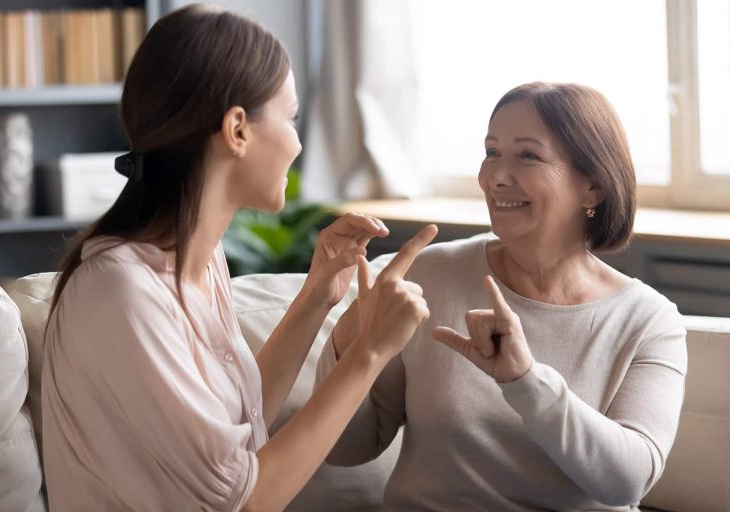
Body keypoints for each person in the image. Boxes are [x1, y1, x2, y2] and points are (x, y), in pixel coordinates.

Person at [41, 4, 438, 511]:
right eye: (291, 117)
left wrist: (317, 295)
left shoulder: (200, 261)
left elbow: (239, 430)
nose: (297, 142)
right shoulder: (121, 290)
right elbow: (247, 500)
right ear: (237, 130)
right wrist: (371, 352)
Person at [321, 82, 688, 511]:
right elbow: (348, 450)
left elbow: (628, 483)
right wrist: (351, 340)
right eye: (491, 152)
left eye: (527, 155)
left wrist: (525, 381)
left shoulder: (647, 321)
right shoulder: (430, 275)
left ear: (594, 188)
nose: (494, 176)